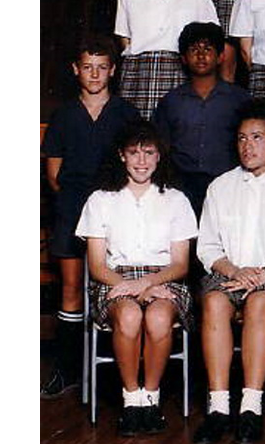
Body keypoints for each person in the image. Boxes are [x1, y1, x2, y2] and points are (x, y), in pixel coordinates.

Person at [193, 100, 265, 444]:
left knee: (260, 303)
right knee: (214, 301)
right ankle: (218, 409)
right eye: (243, 138)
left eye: (258, 137)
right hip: (228, 272)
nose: (249, 145)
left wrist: (263, 273)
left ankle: (250, 408)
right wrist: (234, 269)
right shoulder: (220, 186)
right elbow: (207, 247)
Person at [77, 121, 196, 436]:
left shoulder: (176, 200)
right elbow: (97, 265)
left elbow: (181, 264)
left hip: (165, 278)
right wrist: (127, 287)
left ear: (159, 157)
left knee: (158, 318)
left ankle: (150, 399)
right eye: (134, 153)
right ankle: (131, 400)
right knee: (129, 315)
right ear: (121, 155)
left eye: (149, 153)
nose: (141, 161)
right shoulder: (101, 199)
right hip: (114, 279)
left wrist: (148, 285)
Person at [42, 34, 142, 399]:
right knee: (71, 288)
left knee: (113, 284)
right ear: (75, 70)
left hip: (115, 213)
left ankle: (116, 373)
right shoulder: (65, 115)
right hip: (72, 209)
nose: (95, 74)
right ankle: (69, 369)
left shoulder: (126, 113)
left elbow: (137, 166)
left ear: (113, 71)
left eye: (102, 67)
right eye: (88, 67)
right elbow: (54, 174)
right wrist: (77, 205)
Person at [115, 0, 219, 119]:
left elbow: (210, 39)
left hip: (181, 71)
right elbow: (125, 39)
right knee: (139, 139)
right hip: (139, 75)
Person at [153, 22, 251, 215]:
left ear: (221, 56)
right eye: (193, 50)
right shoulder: (171, 101)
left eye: (208, 49)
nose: (201, 55)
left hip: (228, 186)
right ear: (183, 58)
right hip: (181, 187)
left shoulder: (239, 99)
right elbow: (161, 147)